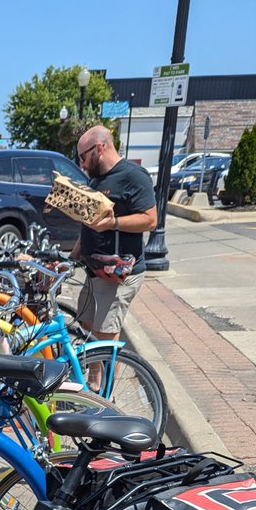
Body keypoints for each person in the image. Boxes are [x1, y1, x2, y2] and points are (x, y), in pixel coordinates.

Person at [71, 126, 157, 379]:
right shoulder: (96, 179)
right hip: (95, 271)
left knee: (105, 336)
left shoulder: (133, 176)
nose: (81, 164)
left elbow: (150, 220)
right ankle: (93, 382)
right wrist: (72, 256)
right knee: (88, 326)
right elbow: (89, 225)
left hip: (118, 273)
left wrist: (113, 223)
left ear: (99, 148)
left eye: (83, 157)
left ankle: (103, 394)